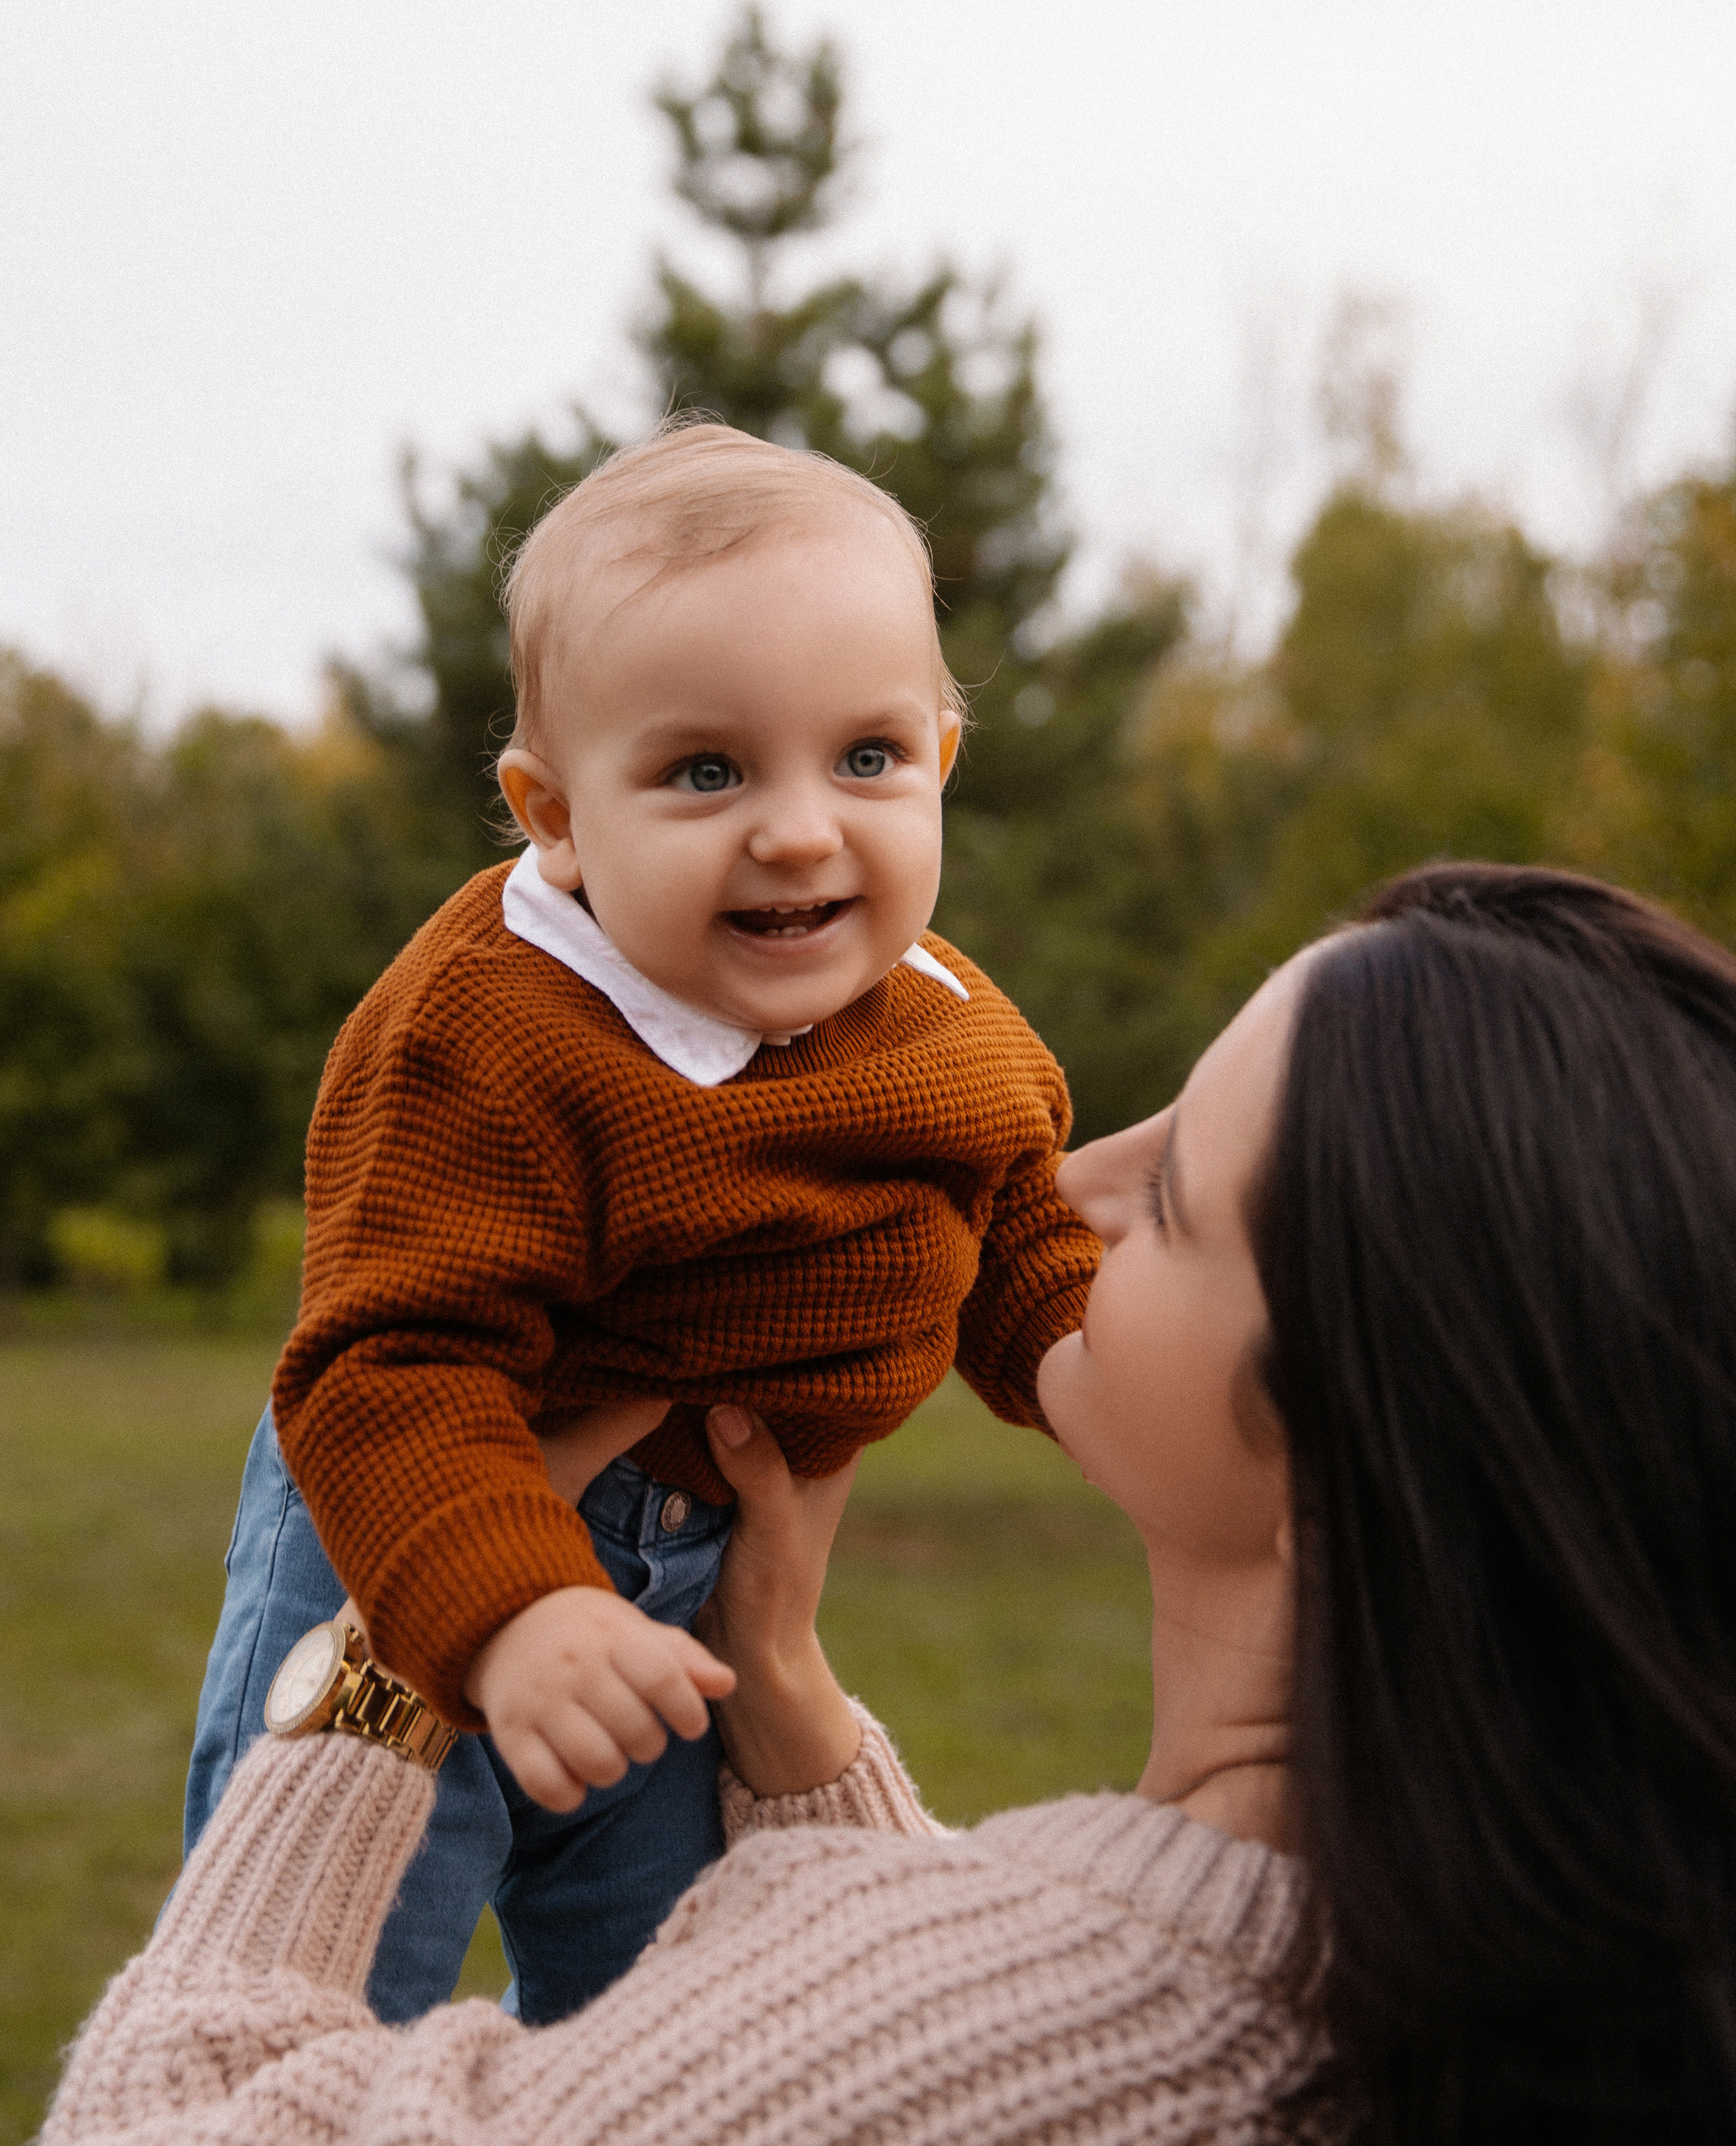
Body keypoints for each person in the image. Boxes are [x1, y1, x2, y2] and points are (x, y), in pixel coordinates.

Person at [56, 860, 1736, 2145]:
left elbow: (151, 2121)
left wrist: (402, 1632)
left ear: (1352, 1460)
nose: (1067, 1182)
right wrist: (788, 1712)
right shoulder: (1519, 1999)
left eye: (1168, 1191)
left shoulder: (922, 2050)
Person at [182, 418, 1101, 2026]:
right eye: (704, 770)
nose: (802, 828)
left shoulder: (944, 1013)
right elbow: (390, 1359)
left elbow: (1017, 1226)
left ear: (943, 757)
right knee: (333, 1978)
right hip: (428, 1525)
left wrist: (1092, 1364)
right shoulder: (492, 1035)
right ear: (551, 811)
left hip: (695, 1590)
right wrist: (517, 1612)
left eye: (866, 756)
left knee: (670, 2013)